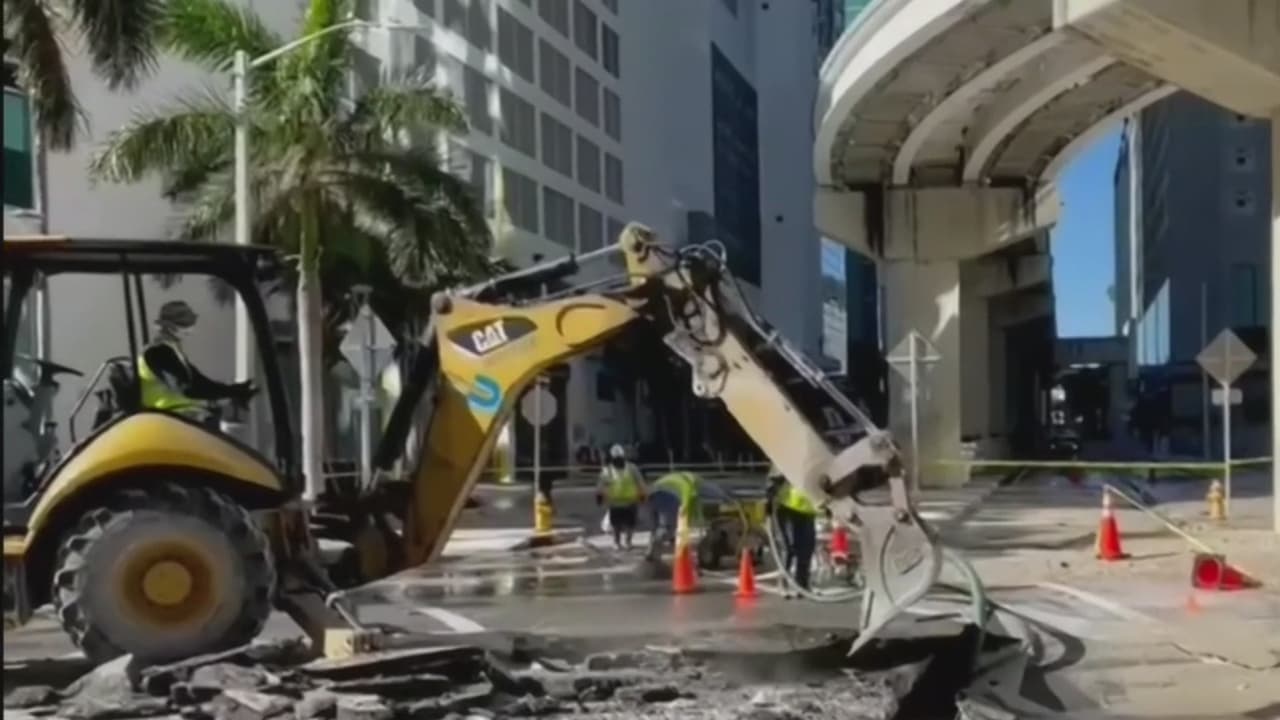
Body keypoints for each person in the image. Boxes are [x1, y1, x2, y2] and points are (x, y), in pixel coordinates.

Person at [137, 300, 255, 421]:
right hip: (168, 417)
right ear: (170, 326)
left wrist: (233, 390)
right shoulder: (158, 352)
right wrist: (230, 392)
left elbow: (198, 380)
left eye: (191, 322)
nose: (191, 329)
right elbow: (187, 389)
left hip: (178, 415)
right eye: (185, 323)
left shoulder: (170, 349)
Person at [765, 466, 818, 598]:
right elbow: (774, 477)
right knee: (788, 548)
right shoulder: (792, 457)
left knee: (806, 549)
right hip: (787, 508)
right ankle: (783, 584)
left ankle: (802, 585)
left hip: (808, 509)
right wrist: (769, 500)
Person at [596, 444, 646, 550]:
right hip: (615, 503)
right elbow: (601, 484)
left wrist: (642, 494)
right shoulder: (608, 470)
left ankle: (628, 542)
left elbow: (640, 482)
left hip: (630, 501)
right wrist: (599, 495)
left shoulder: (632, 468)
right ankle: (617, 542)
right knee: (616, 525)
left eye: (620, 458)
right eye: (616, 459)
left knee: (630, 524)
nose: (618, 461)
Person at [645, 470, 702, 561]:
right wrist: (685, 510)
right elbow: (687, 499)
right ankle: (655, 552)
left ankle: (651, 551)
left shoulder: (676, 479)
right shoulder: (688, 484)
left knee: (657, 528)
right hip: (669, 499)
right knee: (665, 528)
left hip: (654, 497)